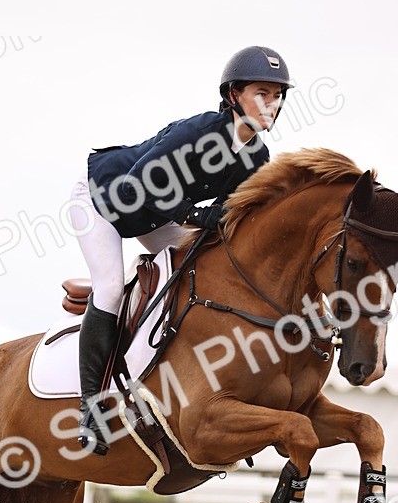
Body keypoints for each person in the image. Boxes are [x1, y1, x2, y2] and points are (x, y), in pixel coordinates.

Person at [68, 44, 293, 455]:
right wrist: (194, 213)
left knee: (202, 265)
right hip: (103, 201)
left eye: (277, 95)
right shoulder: (200, 132)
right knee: (111, 286)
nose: (271, 103)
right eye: (262, 92)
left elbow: (236, 212)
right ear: (233, 96)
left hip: (154, 215)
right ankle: (90, 409)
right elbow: (138, 185)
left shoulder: (257, 156)